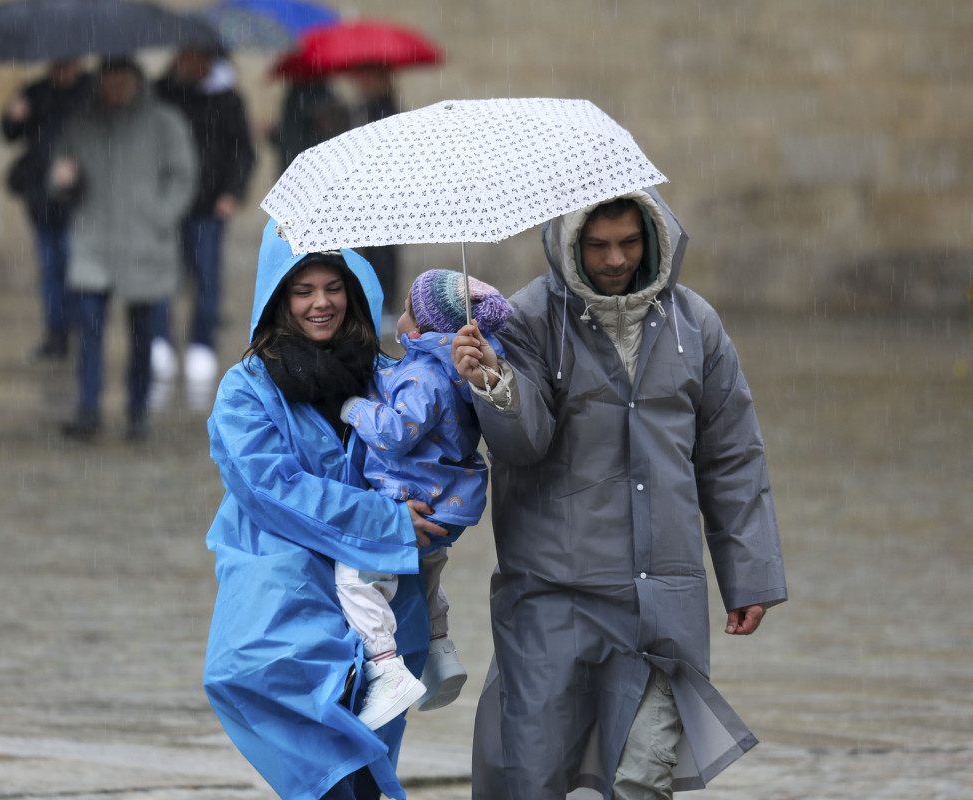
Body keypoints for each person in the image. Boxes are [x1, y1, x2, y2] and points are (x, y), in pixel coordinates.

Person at [449, 189, 788, 799]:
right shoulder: (527, 318)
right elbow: (523, 444)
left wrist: (750, 576)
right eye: (599, 246)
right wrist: (493, 382)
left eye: (629, 243)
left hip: (663, 602)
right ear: (571, 245)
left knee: (642, 778)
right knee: (534, 776)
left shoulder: (696, 325)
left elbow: (732, 455)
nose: (615, 259)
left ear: (654, 238)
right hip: (552, 596)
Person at [203, 218, 449, 800]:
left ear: (356, 289)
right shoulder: (246, 391)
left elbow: (437, 473)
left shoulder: (393, 380)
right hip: (285, 608)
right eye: (302, 289)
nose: (321, 303)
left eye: (333, 287)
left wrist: (473, 386)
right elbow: (274, 491)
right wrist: (388, 524)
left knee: (363, 779)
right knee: (329, 779)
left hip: (381, 618)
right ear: (277, 297)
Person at [336, 268, 513, 729]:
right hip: (446, 505)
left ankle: (385, 665)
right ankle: (441, 650)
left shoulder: (424, 375)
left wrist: (356, 408)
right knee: (431, 573)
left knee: (355, 578)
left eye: (409, 307)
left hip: (412, 497)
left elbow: (396, 433)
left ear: (420, 327)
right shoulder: (459, 372)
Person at [48, 56, 197, 441]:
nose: (115, 91)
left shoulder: (164, 123)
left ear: (135, 83)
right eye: (108, 83)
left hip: (145, 243)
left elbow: (184, 175)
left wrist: (160, 216)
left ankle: (136, 410)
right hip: (93, 242)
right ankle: (88, 409)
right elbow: (59, 179)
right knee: (90, 333)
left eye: (121, 83)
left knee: (143, 336)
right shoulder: (81, 123)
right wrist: (64, 181)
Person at [149, 45, 255, 412]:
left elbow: (242, 150)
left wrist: (232, 192)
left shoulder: (226, 99)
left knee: (207, 274)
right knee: (161, 275)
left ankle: (201, 343)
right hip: (166, 204)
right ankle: (158, 341)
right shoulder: (160, 94)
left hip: (209, 204)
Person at [0, 59, 93, 361]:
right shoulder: (35, 92)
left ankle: (82, 333)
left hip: (78, 198)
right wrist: (13, 116)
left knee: (76, 270)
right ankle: (56, 335)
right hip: (41, 197)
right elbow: (9, 132)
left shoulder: (90, 91)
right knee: (51, 270)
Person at [346, 65, 401, 309]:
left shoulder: (386, 109)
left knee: (384, 253)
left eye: (367, 76)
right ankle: (374, 301)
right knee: (369, 251)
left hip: (384, 192)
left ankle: (386, 303)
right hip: (365, 192)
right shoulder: (359, 108)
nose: (361, 81)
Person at [267, 77, 349, 174]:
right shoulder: (293, 94)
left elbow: (328, 128)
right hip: (291, 164)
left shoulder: (320, 93)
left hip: (310, 164)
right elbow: (290, 134)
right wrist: (275, 135)